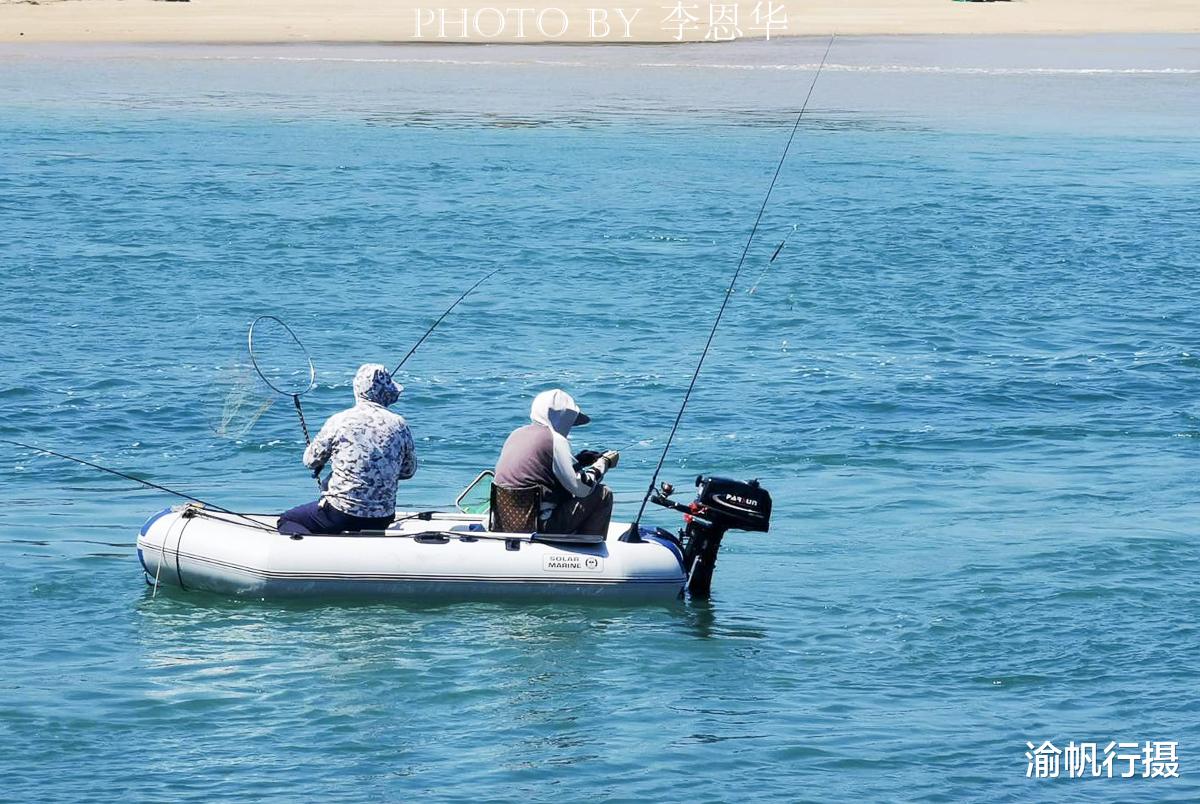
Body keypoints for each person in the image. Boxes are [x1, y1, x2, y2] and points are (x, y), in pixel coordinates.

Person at [277, 364, 417, 535]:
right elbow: (408, 471)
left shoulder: (339, 421)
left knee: (287, 520)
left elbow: (310, 461)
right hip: (383, 517)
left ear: (357, 389)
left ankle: (313, 548)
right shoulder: (400, 424)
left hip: (340, 514)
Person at [493, 388, 619, 536]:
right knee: (602, 493)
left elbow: (543, 470)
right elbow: (581, 488)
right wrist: (604, 463)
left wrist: (578, 462)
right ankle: (589, 547)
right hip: (540, 526)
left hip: (506, 522)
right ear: (563, 417)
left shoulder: (516, 434)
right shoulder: (556, 440)